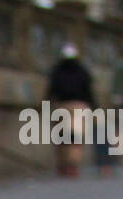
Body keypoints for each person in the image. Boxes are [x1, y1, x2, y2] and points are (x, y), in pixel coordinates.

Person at [45, 42, 95, 177]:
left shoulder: (57, 70)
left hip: (61, 105)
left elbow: (51, 89)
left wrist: (46, 103)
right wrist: (93, 106)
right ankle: (72, 165)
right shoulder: (82, 71)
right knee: (76, 138)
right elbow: (88, 90)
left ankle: (62, 164)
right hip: (79, 105)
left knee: (61, 137)